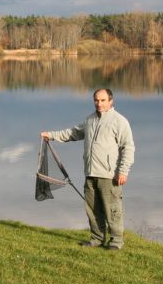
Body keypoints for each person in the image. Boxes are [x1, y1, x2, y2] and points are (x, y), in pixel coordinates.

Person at [41, 89, 135, 250]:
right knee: (92, 209)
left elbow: (128, 147)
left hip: (110, 175)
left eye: (103, 100)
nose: (99, 103)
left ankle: (116, 241)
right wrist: (51, 135)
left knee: (112, 209)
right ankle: (97, 239)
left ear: (111, 101)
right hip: (90, 173)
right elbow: (73, 133)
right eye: (96, 100)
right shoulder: (90, 120)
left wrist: (123, 171)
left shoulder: (120, 121)